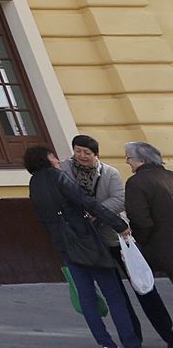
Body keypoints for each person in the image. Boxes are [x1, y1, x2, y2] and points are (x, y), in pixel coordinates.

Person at [28, 144, 140, 348]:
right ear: (47, 159)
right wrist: (119, 224)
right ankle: (130, 342)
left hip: (64, 245)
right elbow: (87, 202)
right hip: (85, 241)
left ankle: (105, 342)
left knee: (86, 297)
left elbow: (43, 218)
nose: (58, 160)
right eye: (54, 156)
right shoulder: (57, 176)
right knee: (113, 295)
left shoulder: (34, 183)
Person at [70, 136, 173, 346]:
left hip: (118, 239)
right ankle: (133, 338)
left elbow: (120, 199)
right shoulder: (65, 172)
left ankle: (167, 333)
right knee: (116, 294)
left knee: (145, 289)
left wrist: (97, 213)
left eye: (87, 152)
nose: (82, 156)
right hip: (90, 243)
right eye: (78, 151)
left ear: (95, 155)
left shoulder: (110, 173)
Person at [127, 143, 173, 288]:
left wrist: (141, 242)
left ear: (142, 160)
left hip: (164, 247)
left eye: (129, 158)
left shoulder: (136, 182)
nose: (127, 162)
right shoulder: (170, 176)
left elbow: (140, 220)